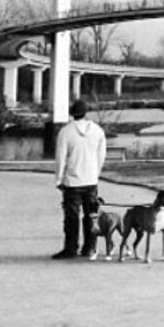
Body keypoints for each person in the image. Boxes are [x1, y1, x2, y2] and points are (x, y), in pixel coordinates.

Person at [51, 100, 107, 260]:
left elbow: (60, 158)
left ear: (72, 114)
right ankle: (89, 247)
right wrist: (96, 173)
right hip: (91, 180)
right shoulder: (98, 130)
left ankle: (70, 249)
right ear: (86, 112)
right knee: (91, 215)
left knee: (71, 217)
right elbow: (101, 155)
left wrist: (58, 179)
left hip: (72, 181)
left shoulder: (66, 132)